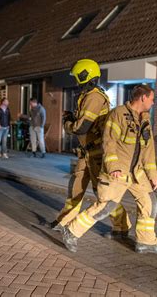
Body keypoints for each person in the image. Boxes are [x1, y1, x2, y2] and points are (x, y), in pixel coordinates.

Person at [63, 84, 157, 255]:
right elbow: (109, 141)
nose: (153, 103)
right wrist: (113, 167)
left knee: (149, 203)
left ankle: (146, 242)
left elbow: (149, 150)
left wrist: (153, 175)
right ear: (142, 98)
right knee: (106, 206)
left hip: (137, 173)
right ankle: (71, 231)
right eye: (151, 98)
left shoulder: (145, 119)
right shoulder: (118, 114)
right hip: (118, 172)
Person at [52, 59, 130, 237]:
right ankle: (62, 222)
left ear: (84, 75)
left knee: (104, 195)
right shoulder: (86, 96)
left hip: (96, 154)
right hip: (85, 153)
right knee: (75, 189)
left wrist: (67, 123)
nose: (76, 81)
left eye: (77, 76)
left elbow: (82, 127)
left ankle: (122, 227)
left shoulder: (94, 97)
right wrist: (72, 117)